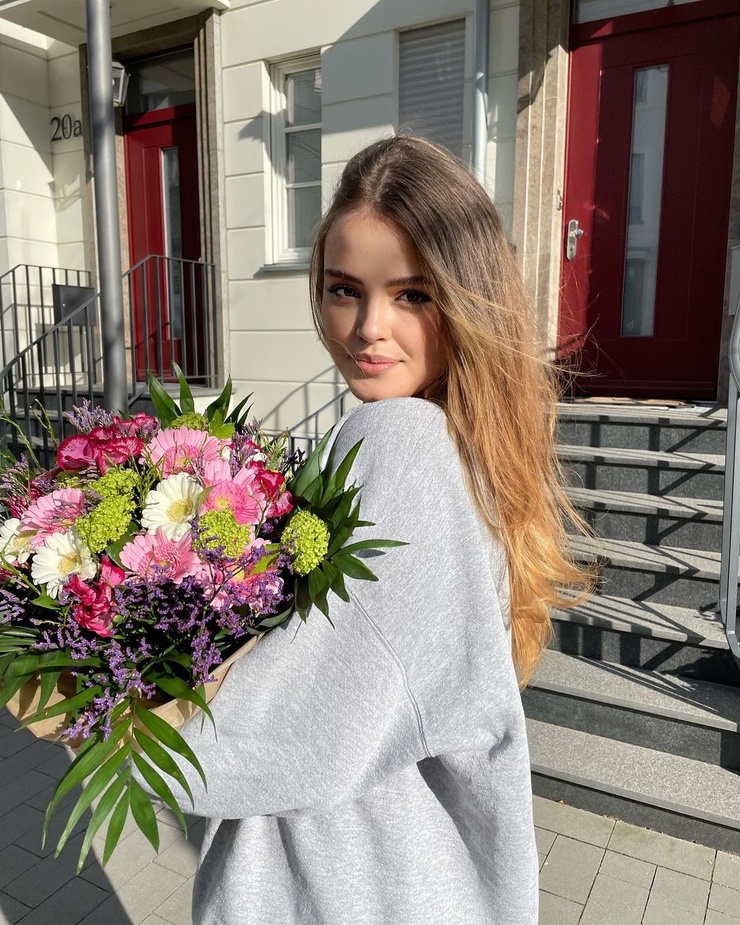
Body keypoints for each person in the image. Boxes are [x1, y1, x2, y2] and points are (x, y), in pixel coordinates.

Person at [154, 136, 591, 924]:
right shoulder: (469, 448)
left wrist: (106, 709)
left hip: (342, 889)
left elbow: (294, 734)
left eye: (412, 294)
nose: (367, 327)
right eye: (344, 290)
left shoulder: (402, 443)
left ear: (467, 299)